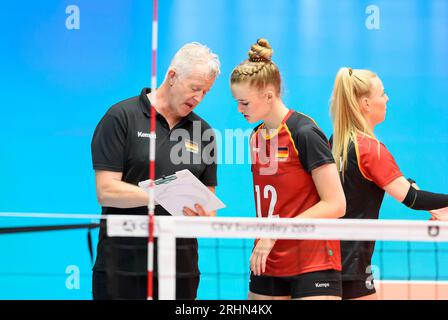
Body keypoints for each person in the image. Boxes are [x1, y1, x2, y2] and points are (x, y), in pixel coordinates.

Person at [91, 42, 221, 299]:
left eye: (205, 92)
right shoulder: (121, 117)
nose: (198, 98)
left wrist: (204, 214)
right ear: (172, 76)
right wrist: (162, 192)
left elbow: (209, 206)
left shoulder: (203, 132)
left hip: (180, 270)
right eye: (195, 88)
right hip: (122, 266)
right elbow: (106, 191)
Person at [230, 38, 346, 300]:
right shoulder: (255, 137)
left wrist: (275, 232)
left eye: (244, 103)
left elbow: (336, 204)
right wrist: (266, 237)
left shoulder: (304, 132)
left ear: (269, 96)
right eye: (236, 101)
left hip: (313, 262)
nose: (238, 109)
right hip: (268, 259)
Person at [329, 67, 448, 300]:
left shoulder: (338, 142)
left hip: (329, 257)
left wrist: (417, 191)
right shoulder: (370, 149)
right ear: (365, 103)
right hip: (352, 263)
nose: (387, 98)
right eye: (382, 93)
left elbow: (387, 183)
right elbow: (411, 199)